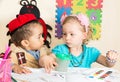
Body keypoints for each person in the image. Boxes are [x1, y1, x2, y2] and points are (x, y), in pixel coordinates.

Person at [40, 13, 119, 72]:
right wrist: (45, 59)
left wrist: (111, 59)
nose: (67, 38)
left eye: (72, 34)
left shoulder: (90, 52)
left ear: (83, 35)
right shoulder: (60, 49)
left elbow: (107, 64)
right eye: (64, 34)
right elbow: (45, 60)